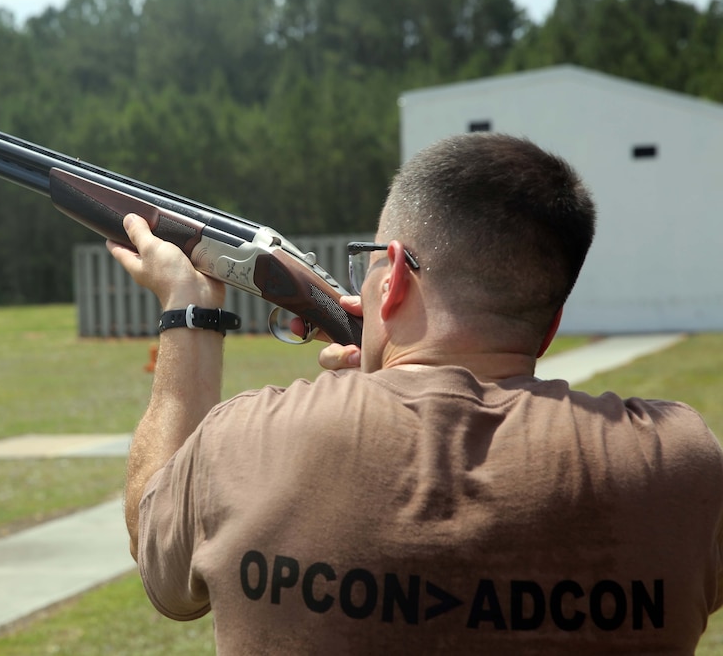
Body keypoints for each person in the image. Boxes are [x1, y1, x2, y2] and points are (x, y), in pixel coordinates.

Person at [106, 132, 723, 654]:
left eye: (367, 263)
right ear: (551, 324)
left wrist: (190, 312)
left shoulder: (246, 440)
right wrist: (384, 386)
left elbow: (160, 562)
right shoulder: (681, 463)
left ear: (393, 276)